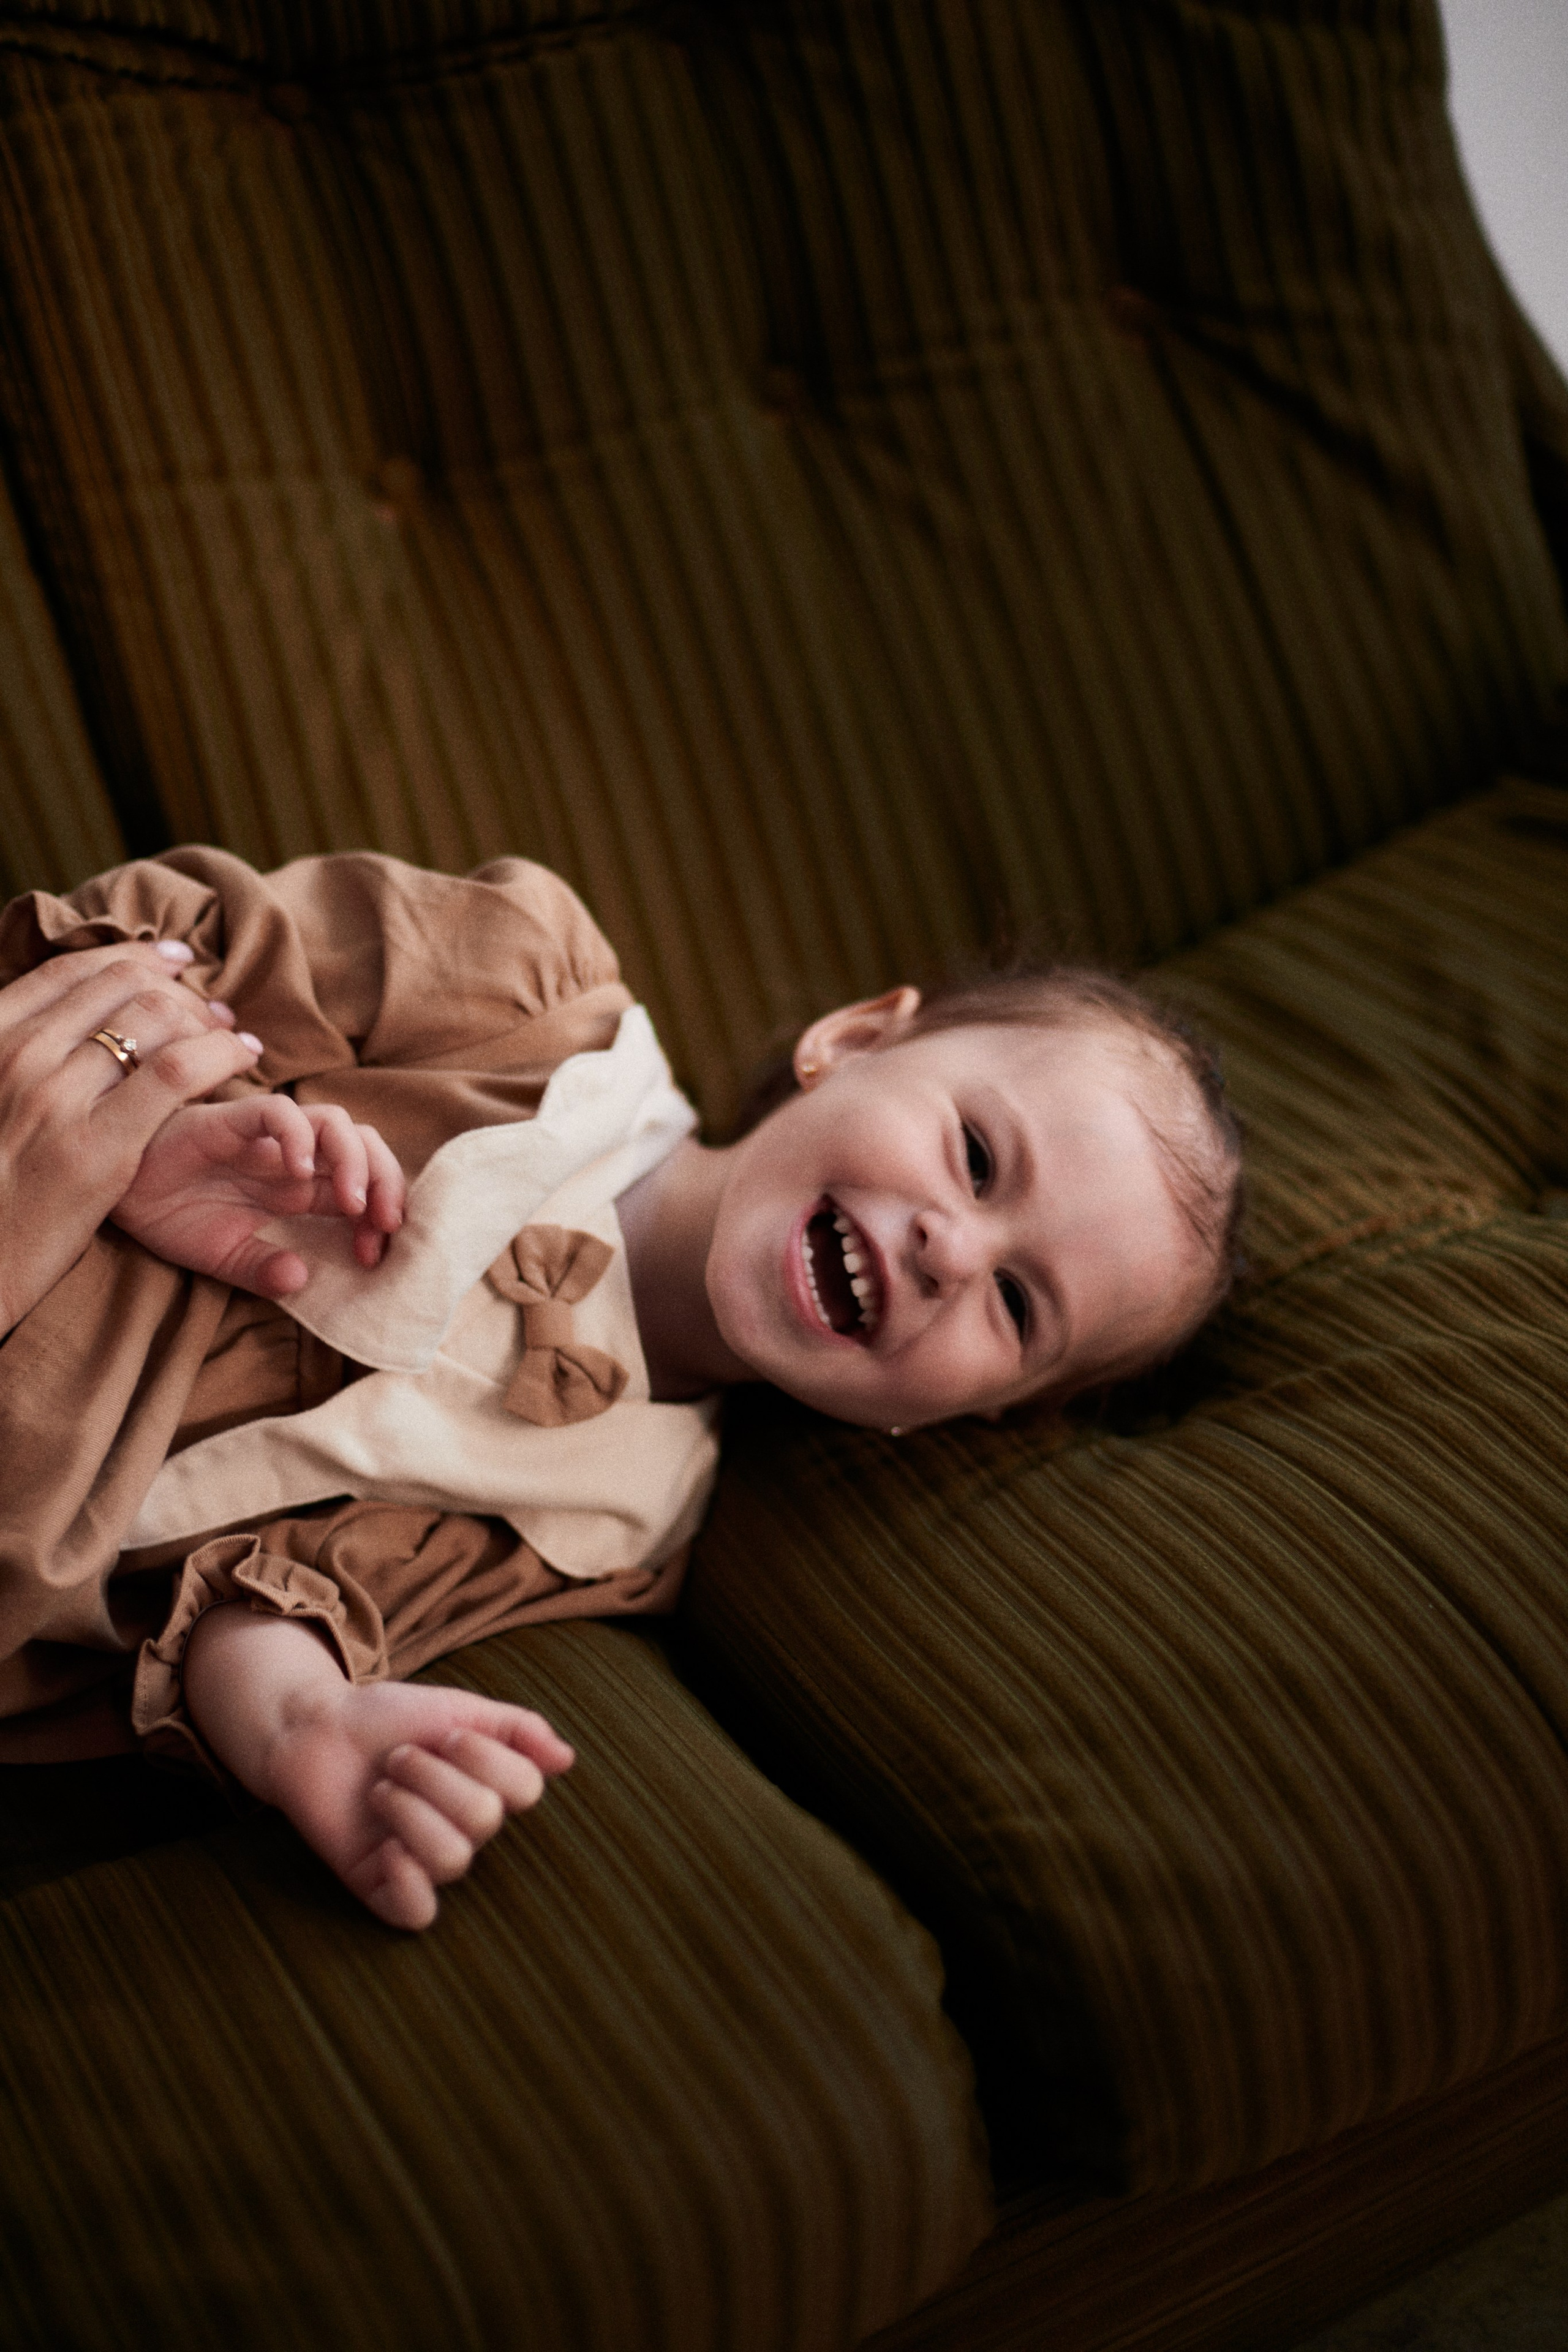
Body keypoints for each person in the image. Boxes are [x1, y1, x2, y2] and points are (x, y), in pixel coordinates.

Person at [0, 848, 1242, 1929]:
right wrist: (176, 1124)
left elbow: (285, 1597)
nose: (951, 1252)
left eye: (1018, 1308)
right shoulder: (530, 993)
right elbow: (144, 961)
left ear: (964, 1416)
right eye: (974, 1156)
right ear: (852, 1039)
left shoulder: (617, 1525)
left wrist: (305, 1731)